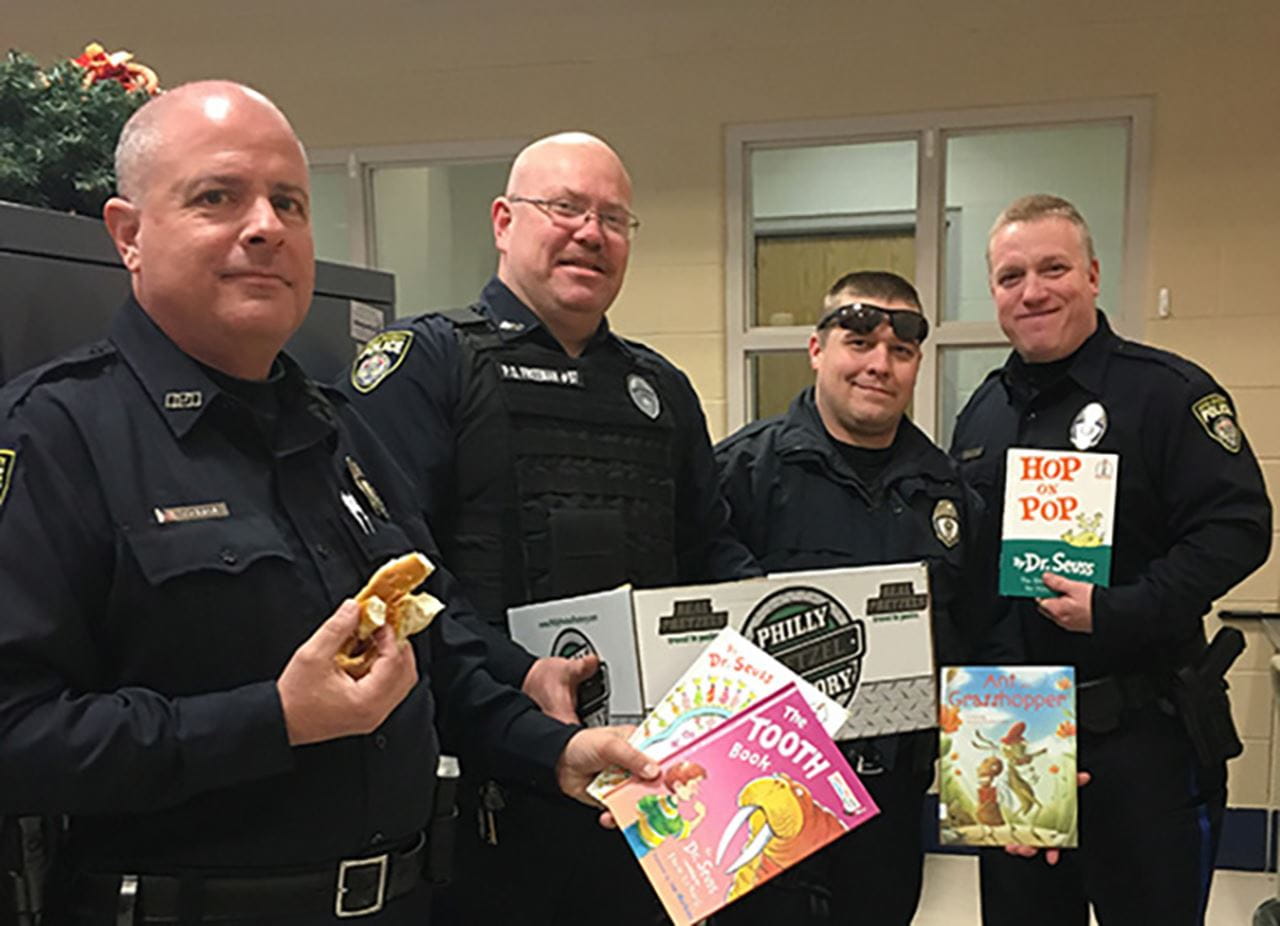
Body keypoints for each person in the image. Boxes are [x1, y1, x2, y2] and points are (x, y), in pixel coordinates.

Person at [0, 81, 655, 925]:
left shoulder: (337, 431)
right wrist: (271, 720)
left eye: (290, 203)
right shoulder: (55, 435)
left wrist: (557, 750)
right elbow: (16, 736)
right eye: (217, 198)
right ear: (128, 234)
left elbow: (429, 641)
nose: (266, 226)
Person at [339, 131, 760, 924]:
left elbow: (711, 545)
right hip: (492, 785)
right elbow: (397, 579)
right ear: (503, 221)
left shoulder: (659, 388)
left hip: (656, 784)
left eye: (612, 218)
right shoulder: (427, 366)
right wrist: (514, 674)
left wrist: (759, 621)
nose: (590, 232)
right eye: (565, 208)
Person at [950, 194, 1272, 925]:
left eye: (1053, 268)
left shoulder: (1167, 394)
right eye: (1010, 276)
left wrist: (1118, 608)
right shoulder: (983, 412)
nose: (1032, 291)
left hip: (1142, 735)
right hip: (1012, 729)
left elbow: (1239, 527)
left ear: (1093, 275)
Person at [713, 271, 991, 924]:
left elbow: (985, 638)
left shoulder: (949, 494)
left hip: (889, 805)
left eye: (900, 352)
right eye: (859, 342)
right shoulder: (739, 476)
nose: (879, 365)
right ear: (817, 349)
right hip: (761, 794)